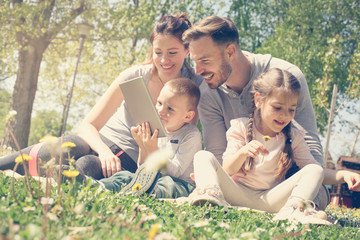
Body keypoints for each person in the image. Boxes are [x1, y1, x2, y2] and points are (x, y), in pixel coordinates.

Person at [182, 16, 360, 209]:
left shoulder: (286, 77)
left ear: (230, 51)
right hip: (237, 185)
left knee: (315, 185)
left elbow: (311, 152)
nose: (197, 71)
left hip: (282, 186)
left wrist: (315, 189)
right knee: (203, 158)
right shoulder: (208, 93)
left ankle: (298, 209)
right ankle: (210, 197)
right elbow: (218, 156)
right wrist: (209, 177)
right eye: (194, 62)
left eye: (204, 61)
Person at [0, 13, 202, 179]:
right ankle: (3, 166)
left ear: (187, 50)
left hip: (131, 158)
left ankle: (49, 182)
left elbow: (185, 140)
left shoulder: (194, 88)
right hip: (102, 142)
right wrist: (105, 151)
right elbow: (87, 126)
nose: (164, 60)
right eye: (158, 52)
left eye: (172, 53)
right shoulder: (135, 76)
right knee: (69, 145)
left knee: (86, 165)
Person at [188, 68, 332, 225]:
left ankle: (292, 211)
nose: (284, 115)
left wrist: (343, 176)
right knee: (202, 156)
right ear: (258, 100)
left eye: (291, 110)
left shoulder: (294, 137)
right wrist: (243, 153)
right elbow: (227, 169)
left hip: (271, 199)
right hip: (236, 193)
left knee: (315, 169)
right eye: (277, 107)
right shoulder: (240, 127)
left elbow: (317, 173)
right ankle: (211, 196)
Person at [92, 78, 202, 198]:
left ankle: (149, 192)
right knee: (127, 176)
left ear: (188, 116)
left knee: (167, 185)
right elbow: (142, 166)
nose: (160, 111)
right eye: (159, 103)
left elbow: (176, 172)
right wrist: (142, 145)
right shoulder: (156, 129)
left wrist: (153, 150)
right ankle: (97, 186)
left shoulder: (191, 135)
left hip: (181, 185)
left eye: (170, 109)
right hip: (153, 177)